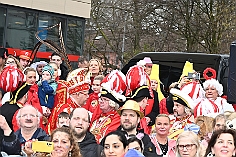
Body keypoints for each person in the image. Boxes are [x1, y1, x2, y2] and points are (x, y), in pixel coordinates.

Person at [47, 68, 90, 134]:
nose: (88, 97)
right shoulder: (67, 110)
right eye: (86, 94)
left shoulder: (70, 107)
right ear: (78, 94)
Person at [90, 70, 126, 143]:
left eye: (105, 99)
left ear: (112, 103)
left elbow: (109, 135)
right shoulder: (99, 115)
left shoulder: (116, 117)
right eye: (100, 99)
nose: (100, 101)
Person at [125, 65, 159, 134]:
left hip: (147, 128)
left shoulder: (153, 93)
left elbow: (156, 111)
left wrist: (149, 118)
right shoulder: (126, 93)